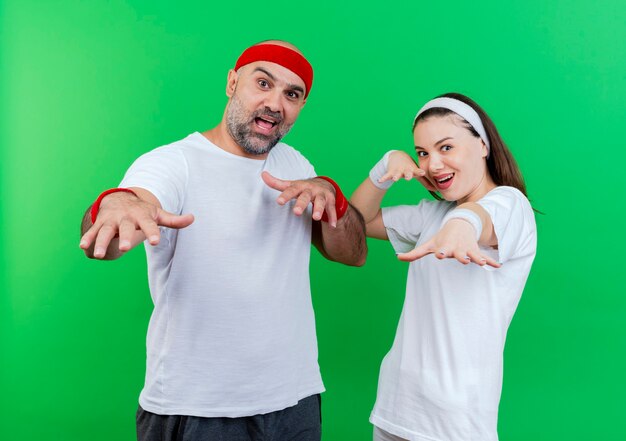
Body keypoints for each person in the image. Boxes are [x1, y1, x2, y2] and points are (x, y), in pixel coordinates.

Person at [79, 40, 366, 441]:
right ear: (232, 82)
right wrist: (118, 205)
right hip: (198, 407)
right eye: (262, 83)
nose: (275, 103)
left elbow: (354, 254)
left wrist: (329, 192)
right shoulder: (172, 162)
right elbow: (114, 229)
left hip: (295, 400)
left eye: (292, 94)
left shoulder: (296, 165)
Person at [350, 92, 537, 441]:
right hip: (396, 407)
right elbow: (354, 220)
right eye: (423, 153)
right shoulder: (431, 214)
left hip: (454, 422)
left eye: (446, 147)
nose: (433, 164)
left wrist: (461, 226)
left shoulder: (511, 205)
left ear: (482, 145)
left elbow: (481, 217)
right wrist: (384, 169)